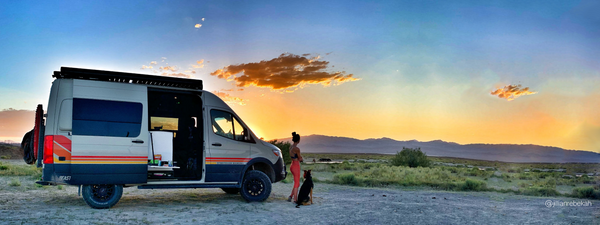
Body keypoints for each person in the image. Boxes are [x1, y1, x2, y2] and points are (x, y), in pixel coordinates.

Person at [288, 132, 303, 203]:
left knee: (296, 182)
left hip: (292, 165)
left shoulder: (290, 147)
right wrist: (301, 159)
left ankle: (291, 196)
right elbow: (300, 158)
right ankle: (295, 199)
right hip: (296, 166)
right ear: (298, 140)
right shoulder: (297, 149)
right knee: (297, 183)